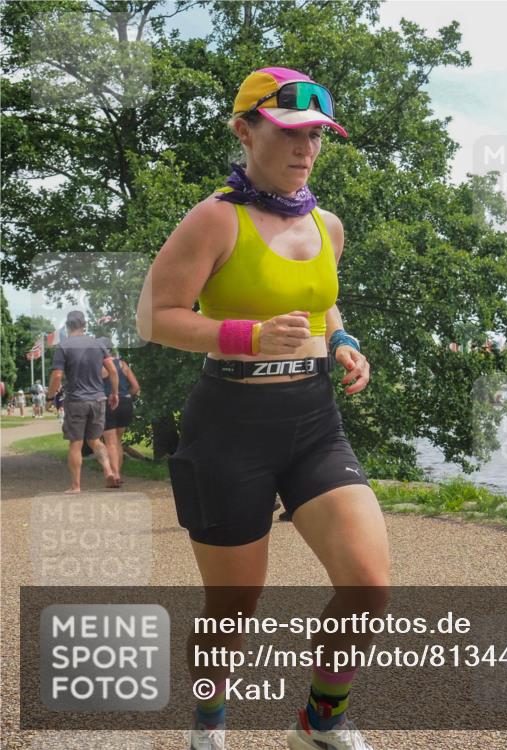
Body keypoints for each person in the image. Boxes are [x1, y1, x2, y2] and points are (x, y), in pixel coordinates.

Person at [135, 67, 383, 750]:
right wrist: (239, 335)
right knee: (231, 610)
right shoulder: (215, 218)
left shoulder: (327, 225)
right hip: (229, 429)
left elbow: (321, 299)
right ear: (246, 131)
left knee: (368, 584)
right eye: (291, 133)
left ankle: (320, 720)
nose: (306, 150)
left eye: (318, 138)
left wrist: (342, 341)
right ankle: (210, 720)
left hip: (312, 421)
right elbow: (154, 317)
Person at [47, 311, 121, 492]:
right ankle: (108, 471)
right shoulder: (97, 344)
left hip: (76, 400)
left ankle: (76, 486)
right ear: (84, 325)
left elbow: (57, 375)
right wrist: (114, 393)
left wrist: (50, 397)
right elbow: (112, 369)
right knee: (95, 439)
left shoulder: (63, 346)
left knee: (76, 443)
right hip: (98, 399)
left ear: (68, 326)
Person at [98, 337, 141, 483]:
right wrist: (125, 395)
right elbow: (136, 387)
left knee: (109, 441)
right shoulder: (123, 364)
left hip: (108, 403)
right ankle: (118, 474)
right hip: (125, 403)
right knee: (117, 440)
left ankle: (115, 475)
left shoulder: (100, 367)